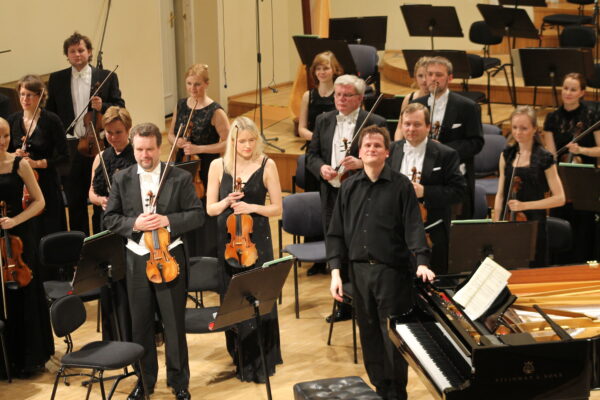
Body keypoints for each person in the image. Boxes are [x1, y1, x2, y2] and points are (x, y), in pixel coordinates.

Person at [327, 124, 435, 400]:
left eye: (377, 145)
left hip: (391, 272)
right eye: (367, 145)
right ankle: (380, 389)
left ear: (387, 152)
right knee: (369, 333)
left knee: (392, 337)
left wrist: (422, 261)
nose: (372, 149)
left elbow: (414, 226)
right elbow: (335, 233)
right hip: (359, 272)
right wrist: (336, 273)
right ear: (360, 152)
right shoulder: (348, 187)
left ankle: (397, 394)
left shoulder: (401, 186)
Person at [104, 123, 203, 400]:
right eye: (139, 149)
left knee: (174, 324)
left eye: (149, 149)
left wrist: (167, 220)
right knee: (141, 325)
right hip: (137, 259)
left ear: (160, 148)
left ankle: (179, 382)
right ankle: (144, 381)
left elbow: (197, 215)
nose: (144, 155)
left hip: (170, 257)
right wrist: (134, 223)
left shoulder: (179, 177)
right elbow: (109, 219)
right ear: (133, 148)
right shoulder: (122, 179)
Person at [206, 116, 283, 383]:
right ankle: (240, 356)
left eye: (252, 140)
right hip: (229, 243)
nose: (248, 146)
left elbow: (277, 208)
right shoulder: (218, 166)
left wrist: (252, 207)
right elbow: (211, 208)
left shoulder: (267, 164)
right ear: (233, 142)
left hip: (257, 240)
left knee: (259, 297)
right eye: (242, 141)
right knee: (233, 297)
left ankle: (262, 358)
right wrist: (227, 201)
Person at [306, 74, 387, 319]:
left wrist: (362, 163)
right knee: (337, 246)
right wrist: (321, 168)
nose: (340, 99)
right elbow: (312, 155)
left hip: (362, 194)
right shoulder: (323, 120)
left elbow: (387, 157)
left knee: (361, 247)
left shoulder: (375, 121)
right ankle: (343, 305)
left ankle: (365, 303)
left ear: (360, 98)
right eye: (338, 95)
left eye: (347, 95)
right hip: (331, 193)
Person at [46, 31, 125, 236]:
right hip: (70, 145)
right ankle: (80, 244)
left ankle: (100, 240)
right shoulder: (57, 79)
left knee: (100, 196)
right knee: (75, 200)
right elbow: (51, 112)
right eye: (72, 51)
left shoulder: (106, 77)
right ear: (67, 55)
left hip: (98, 145)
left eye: (81, 50)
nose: (77, 54)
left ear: (89, 52)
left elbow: (120, 107)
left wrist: (103, 106)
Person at [0, 117, 54, 379]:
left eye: (6, 136)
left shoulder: (19, 164)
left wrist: (14, 221)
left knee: (24, 295)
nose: (2, 141)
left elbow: (40, 201)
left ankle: (29, 358)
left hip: (20, 236)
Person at [388, 103, 466, 274]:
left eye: (417, 124)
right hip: (397, 228)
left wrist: (425, 192)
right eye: (407, 124)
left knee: (434, 277)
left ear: (428, 126)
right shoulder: (392, 150)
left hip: (432, 229)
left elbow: (459, 192)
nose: (411, 129)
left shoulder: (445, 154)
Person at [167, 63, 229, 258]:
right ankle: (187, 252)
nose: (193, 89)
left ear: (207, 84)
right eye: (189, 84)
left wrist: (198, 148)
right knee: (182, 206)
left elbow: (228, 144)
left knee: (203, 208)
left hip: (206, 167)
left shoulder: (215, 111)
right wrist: (177, 142)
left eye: (197, 84)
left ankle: (207, 254)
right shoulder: (180, 105)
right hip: (182, 164)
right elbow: (170, 134)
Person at [411, 56, 484, 218]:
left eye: (439, 75)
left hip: (453, 179)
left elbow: (476, 143)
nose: (433, 79)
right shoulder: (417, 105)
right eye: (430, 74)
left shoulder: (467, 107)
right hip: (422, 177)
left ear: (450, 78)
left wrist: (444, 149)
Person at [493, 106, 566, 267]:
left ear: (534, 129)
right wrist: (497, 222)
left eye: (524, 128)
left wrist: (524, 206)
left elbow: (560, 199)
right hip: (508, 222)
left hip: (534, 226)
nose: (518, 132)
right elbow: (500, 193)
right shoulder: (507, 155)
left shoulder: (544, 158)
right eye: (514, 127)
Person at [88, 106, 136, 341]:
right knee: (109, 277)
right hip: (106, 224)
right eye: (108, 132)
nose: (113, 137)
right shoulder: (100, 157)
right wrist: (101, 200)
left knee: (128, 277)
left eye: (118, 132)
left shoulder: (136, 156)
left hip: (128, 226)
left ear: (128, 130)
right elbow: (91, 193)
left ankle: (133, 332)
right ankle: (114, 333)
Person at [542, 73, 600, 263]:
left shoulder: (592, 116)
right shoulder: (552, 118)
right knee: (561, 221)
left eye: (573, 89)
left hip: (586, 178)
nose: (568, 93)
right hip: (562, 179)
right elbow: (551, 155)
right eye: (565, 88)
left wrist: (581, 150)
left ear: (582, 93)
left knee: (584, 225)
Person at [298, 52, 343, 275]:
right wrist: (319, 136)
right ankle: (317, 259)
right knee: (317, 207)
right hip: (316, 156)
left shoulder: (341, 94)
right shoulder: (309, 96)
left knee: (333, 208)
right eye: (318, 68)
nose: (322, 72)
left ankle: (335, 254)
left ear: (335, 70)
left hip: (335, 154)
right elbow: (301, 128)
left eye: (326, 68)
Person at [7, 75, 68, 238]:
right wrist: (14, 155)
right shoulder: (12, 120)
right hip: (21, 187)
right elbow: (4, 153)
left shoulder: (52, 120)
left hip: (47, 183)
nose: (24, 99)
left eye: (29, 95)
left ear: (40, 96)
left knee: (50, 230)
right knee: (28, 232)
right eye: (22, 94)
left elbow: (64, 157)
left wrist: (36, 163)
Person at [394, 56, 430, 140]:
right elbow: (400, 128)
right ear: (415, 77)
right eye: (420, 76)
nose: (424, 80)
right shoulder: (409, 98)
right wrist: (397, 145)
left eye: (427, 75)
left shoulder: (438, 99)